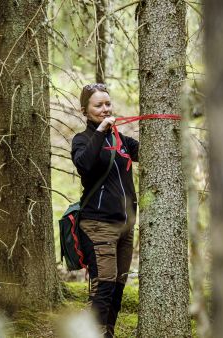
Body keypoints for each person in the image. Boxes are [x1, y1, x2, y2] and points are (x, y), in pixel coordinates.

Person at [71, 83, 138, 337]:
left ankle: (107, 331)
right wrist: (100, 130)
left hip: (125, 226)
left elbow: (148, 151)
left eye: (107, 103)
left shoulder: (121, 140)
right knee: (104, 287)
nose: (105, 109)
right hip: (98, 225)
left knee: (118, 286)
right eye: (98, 105)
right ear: (85, 110)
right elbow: (84, 165)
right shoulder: (83, 139)